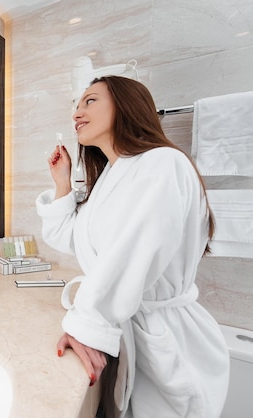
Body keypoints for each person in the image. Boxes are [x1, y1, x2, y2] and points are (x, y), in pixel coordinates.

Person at [36, 76, 229, 417]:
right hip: (134, 331)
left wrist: (87, 325)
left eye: (90, 101)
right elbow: (73, 237)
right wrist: (62, 182)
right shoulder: (114, 174)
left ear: (127, 105)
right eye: (76, 105)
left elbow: (130, 256)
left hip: (168, 340)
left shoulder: (162, 163)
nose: (77, 112)